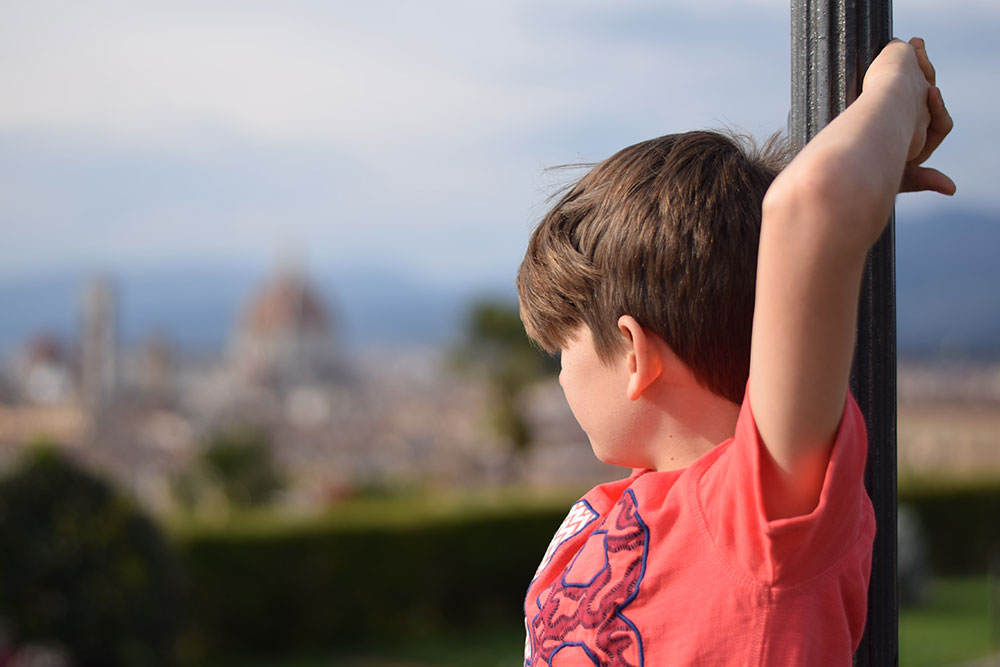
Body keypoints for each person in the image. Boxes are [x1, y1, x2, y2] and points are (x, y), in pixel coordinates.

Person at [516, 37, 953, 666]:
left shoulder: (758, 512)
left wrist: (899, 86)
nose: (559, 377)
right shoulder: (625, 507)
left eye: (562, 347)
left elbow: (811, 208)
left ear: (634, 354)